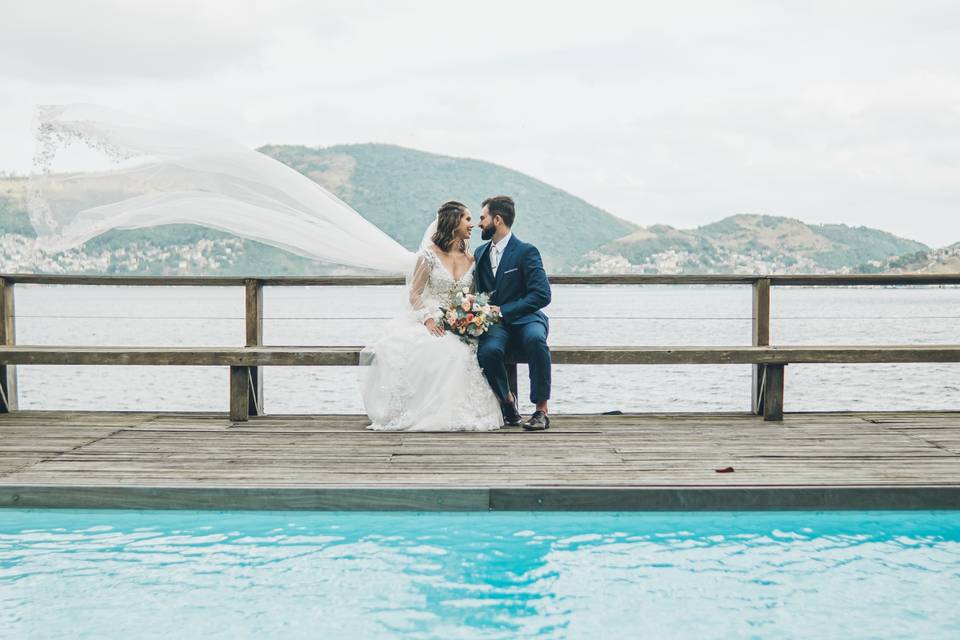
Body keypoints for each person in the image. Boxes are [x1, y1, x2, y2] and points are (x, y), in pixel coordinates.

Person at [359, 201, 503, 431]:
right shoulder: (428, 256)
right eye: (467, 219)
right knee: (436, 347)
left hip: (460, 321)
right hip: (432, 317)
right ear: (454, 222)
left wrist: (470, 316)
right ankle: (428, 410)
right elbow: (414, 294)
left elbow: (473, 295)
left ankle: (457, 409)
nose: (472, 224)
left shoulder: (471, 259)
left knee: (461, 350)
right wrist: (427, 318)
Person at [474, 196, 553, 431]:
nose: (479, 223)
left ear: (497, 220)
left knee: (536, 340)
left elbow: (542, 295)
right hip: (495, 325)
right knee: (488, 351)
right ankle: (508, 402)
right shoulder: (479, 253)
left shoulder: (526, 251)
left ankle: (541, 410)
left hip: (527, 318)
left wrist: (505, 310)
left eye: (483, 218)